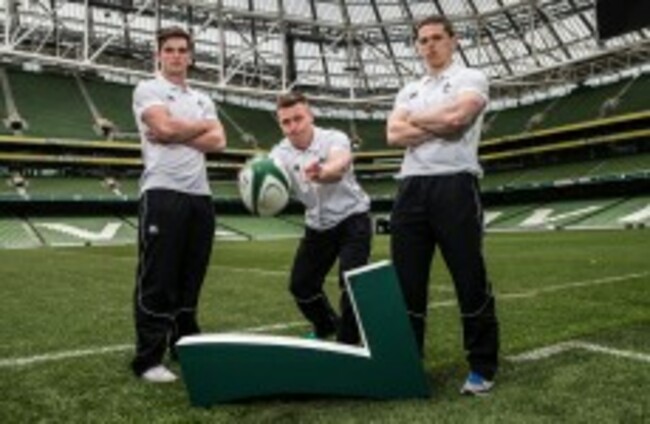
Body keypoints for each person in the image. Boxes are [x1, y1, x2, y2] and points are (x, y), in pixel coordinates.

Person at [386, 15, 499, 395]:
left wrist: (416, 121)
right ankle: (407, 362)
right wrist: (437, 121)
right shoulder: (409, 89)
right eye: (423, 40)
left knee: (469, 277)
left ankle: (482, 365)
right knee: (407, 283)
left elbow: (458, 119)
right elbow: (393, 134)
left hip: (455, 185)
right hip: (410, 189)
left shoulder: (471, 78)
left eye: (437, 37)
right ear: (417, 47)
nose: (430, 45)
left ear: (453, 40)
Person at [131, 27, 226, 383]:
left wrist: (177, 130)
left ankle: (184, 344)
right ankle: (148, 359)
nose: (175, 55)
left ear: (191, 56)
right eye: (168, 49)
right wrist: (198, 129)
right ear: (159, 55)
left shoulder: (202, 98)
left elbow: (219, 141)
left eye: (182, 50)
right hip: (162, 192)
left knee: (191, 276)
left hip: (200, 196)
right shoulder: (148, 89)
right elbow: (163, 129)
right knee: (158, 278)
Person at [270, 92, 372, 345]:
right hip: (317, 225)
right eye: (286, 122)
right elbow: (271, 178)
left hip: (352, 218)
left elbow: (340, 163)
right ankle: (326, 326)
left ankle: (348, 345)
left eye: (298, 119)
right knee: (301, 285)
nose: (293, 127)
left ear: (310, 116)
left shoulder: (334, 138)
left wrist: (323, 171)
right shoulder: (278, 154)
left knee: (351, 283)